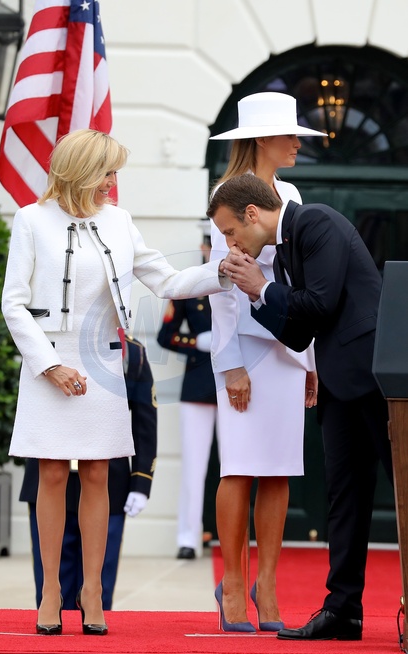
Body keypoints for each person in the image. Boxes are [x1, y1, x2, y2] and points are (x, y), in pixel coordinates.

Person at [1, 128, 232, 636]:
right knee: (52, 475)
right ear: (81, 170)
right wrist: (49, 366)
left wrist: (221, 271)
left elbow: (167, 281)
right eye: (107, 171)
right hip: (48, 365)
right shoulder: (31, 220)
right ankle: (50, 592)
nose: (112, 181)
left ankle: (91, 591)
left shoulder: (120, 222)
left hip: (102, 365)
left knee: (100, 475)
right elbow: (13, 303)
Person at [207, 173, 394, 641]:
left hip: (376, 378)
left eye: (230, 231)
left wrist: (264, 287)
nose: (230, 243)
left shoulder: (315, 221)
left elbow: (321, 304)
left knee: (403, 490)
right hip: (340, 382)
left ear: (253, 214)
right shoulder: (287, 247)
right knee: (344, 498)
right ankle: (343, 611)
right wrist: (257, 293)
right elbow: (298, 332)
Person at [207, 92, 323, 633]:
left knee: (279, 470)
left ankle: (267, 585)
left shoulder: (292, 193)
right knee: (238, 467)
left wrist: (309, 358)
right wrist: (229, 363)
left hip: (287, 350)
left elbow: (301, 281)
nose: (297, 142)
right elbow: (222, 289)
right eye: (289, 133)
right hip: (245, 351)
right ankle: (233, 582)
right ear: (262, 139)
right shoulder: (226, 195)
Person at [19, 332, 157, 610]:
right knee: (50, 582)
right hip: (50, 474)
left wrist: (141, 482)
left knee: (99, 582)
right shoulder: (45, 341)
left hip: (108, 480)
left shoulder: (132, 352)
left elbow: (144, 421)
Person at [157, 220, 217, 560]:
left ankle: (235, 536)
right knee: (194, 465)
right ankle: (188, 537)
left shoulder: (243, 280)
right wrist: (196, 342)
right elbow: (166, 336)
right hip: (198, 384)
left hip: (237, 385)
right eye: (209, 244)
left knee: (238, 465)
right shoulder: (190, 284)